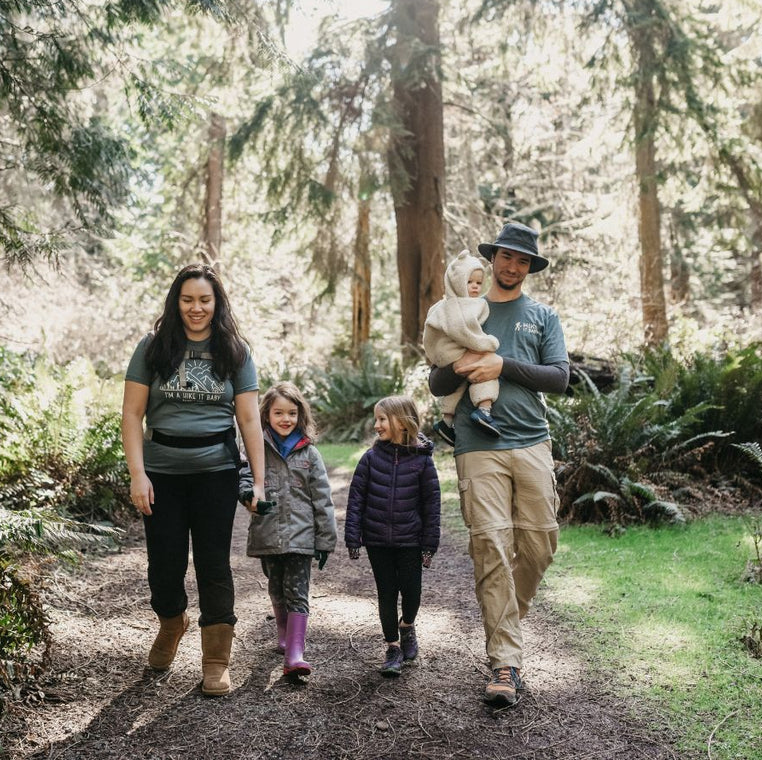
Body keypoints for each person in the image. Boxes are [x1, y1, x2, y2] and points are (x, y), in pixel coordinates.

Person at [428, 222, 570, 707]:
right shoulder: (464, 307)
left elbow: (559, 378)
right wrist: (462, 366)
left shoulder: (542, 316)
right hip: (476, 443)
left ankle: (506, 620)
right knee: (490, 544)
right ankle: (504, 661)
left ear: (530, 267)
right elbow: (436, 380)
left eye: (523, 261)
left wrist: (502, 366)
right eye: (506, 257)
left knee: (540, 543)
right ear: (492, 259)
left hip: (532, 441)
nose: (512, 267)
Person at [122, 263, 265, 698]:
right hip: (161, 473)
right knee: (164, 565)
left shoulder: (234, 350)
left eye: (205, 300)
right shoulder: (153, 347)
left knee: (213, 563)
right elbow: (132, 415)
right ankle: (172, 621)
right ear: (176, 301)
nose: (196, 308)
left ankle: (216, 659)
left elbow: (249, 419)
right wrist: (138, 474)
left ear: (216, 302)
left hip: (215, 474)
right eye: (187, 300)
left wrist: (258, 481)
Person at [240, 381, 337, 679]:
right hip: (268, 534)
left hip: (301, 537)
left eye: (292, 413)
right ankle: (283, 634)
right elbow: (244, 478)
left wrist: (325, 541)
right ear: (266, 414)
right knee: (276, 586)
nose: (285, 419)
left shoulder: (309, 454)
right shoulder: (257, 448)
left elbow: (323, 500)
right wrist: (249, 497)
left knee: (297, 591)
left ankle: (296, 652)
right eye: (279, 412)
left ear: (300, 416)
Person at [344, 395, 441, 678]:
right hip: (377, 540)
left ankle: (407, 626)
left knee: (412, 592)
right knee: (386, 593)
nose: (377, 425)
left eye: (382, 419)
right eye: (376, 419)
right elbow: (356, 499)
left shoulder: (423, 462)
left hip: (410, 540)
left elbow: (431, 506)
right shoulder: (371, 459)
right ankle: (392, 648)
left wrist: (429, 544)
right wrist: (354, 538)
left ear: (402, 421)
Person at [423, 248, 502, 444]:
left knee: (459, 383)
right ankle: (484, 409)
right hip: (452, 351)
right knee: (484, 370)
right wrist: (488, 344)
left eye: (478, 283)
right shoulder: (460, 306)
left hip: (444, 355)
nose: (475, 287)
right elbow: (466, 334)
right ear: (457, 283)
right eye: (469, 282)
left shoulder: (444, 304)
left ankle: (446, 421)